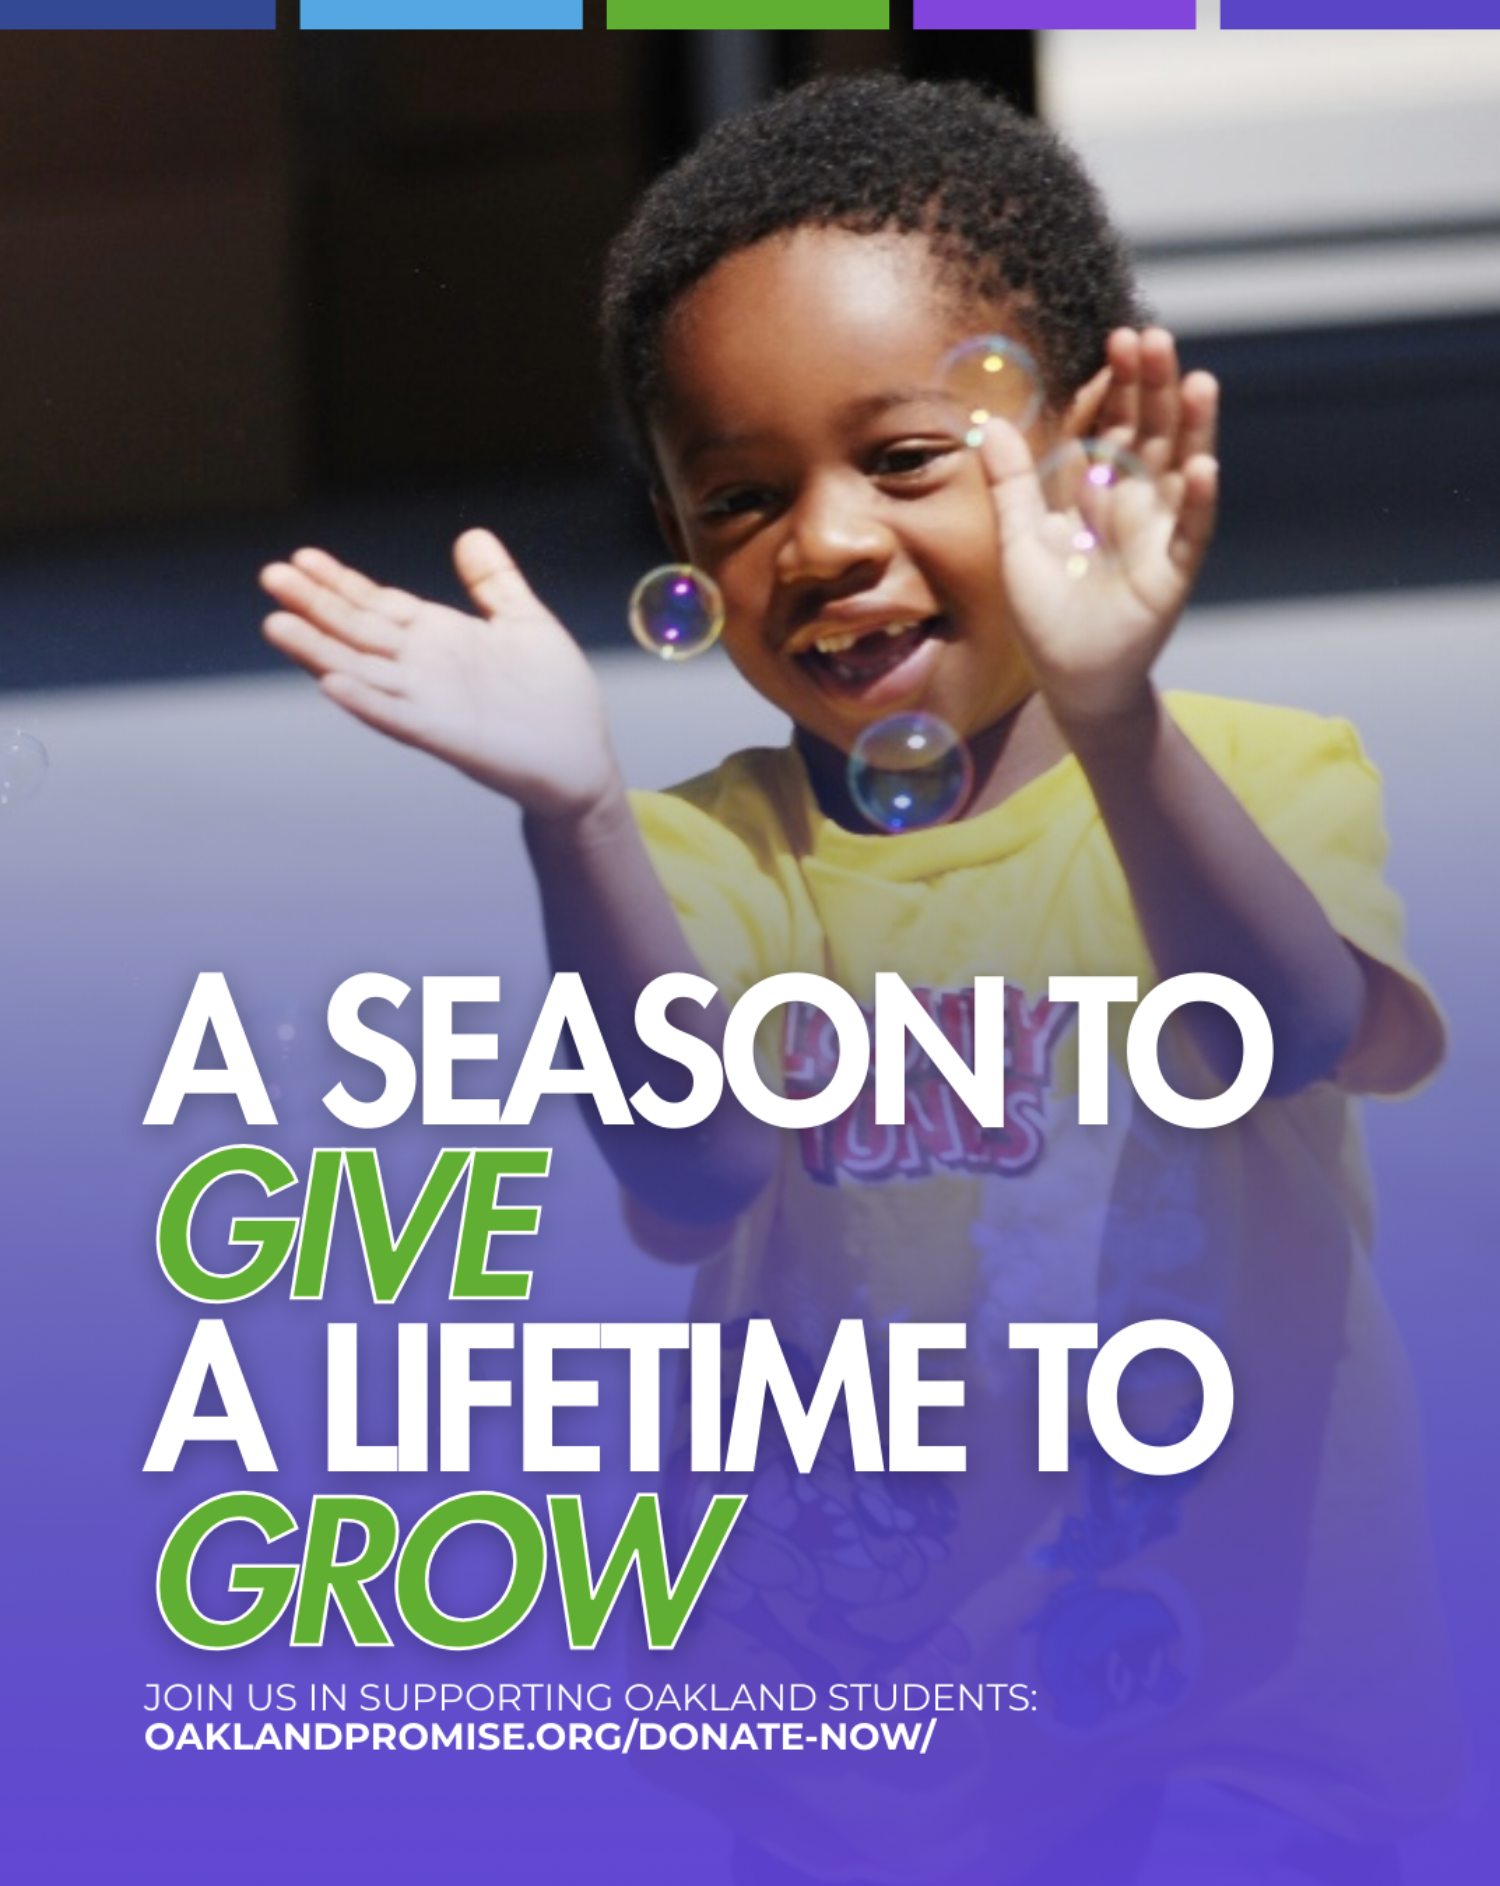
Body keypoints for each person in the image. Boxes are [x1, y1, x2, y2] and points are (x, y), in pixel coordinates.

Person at [261, 74, 1460, 1886]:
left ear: (1076, 457)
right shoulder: (707, 859)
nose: (819, 542)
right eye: (739, 496)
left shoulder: (1259, 772)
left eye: (904, 458)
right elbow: (694, 1166)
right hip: (872, 1743)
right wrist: (570, 814)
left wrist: (1118, 718)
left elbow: (1294, 1026)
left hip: (1245, 1708)